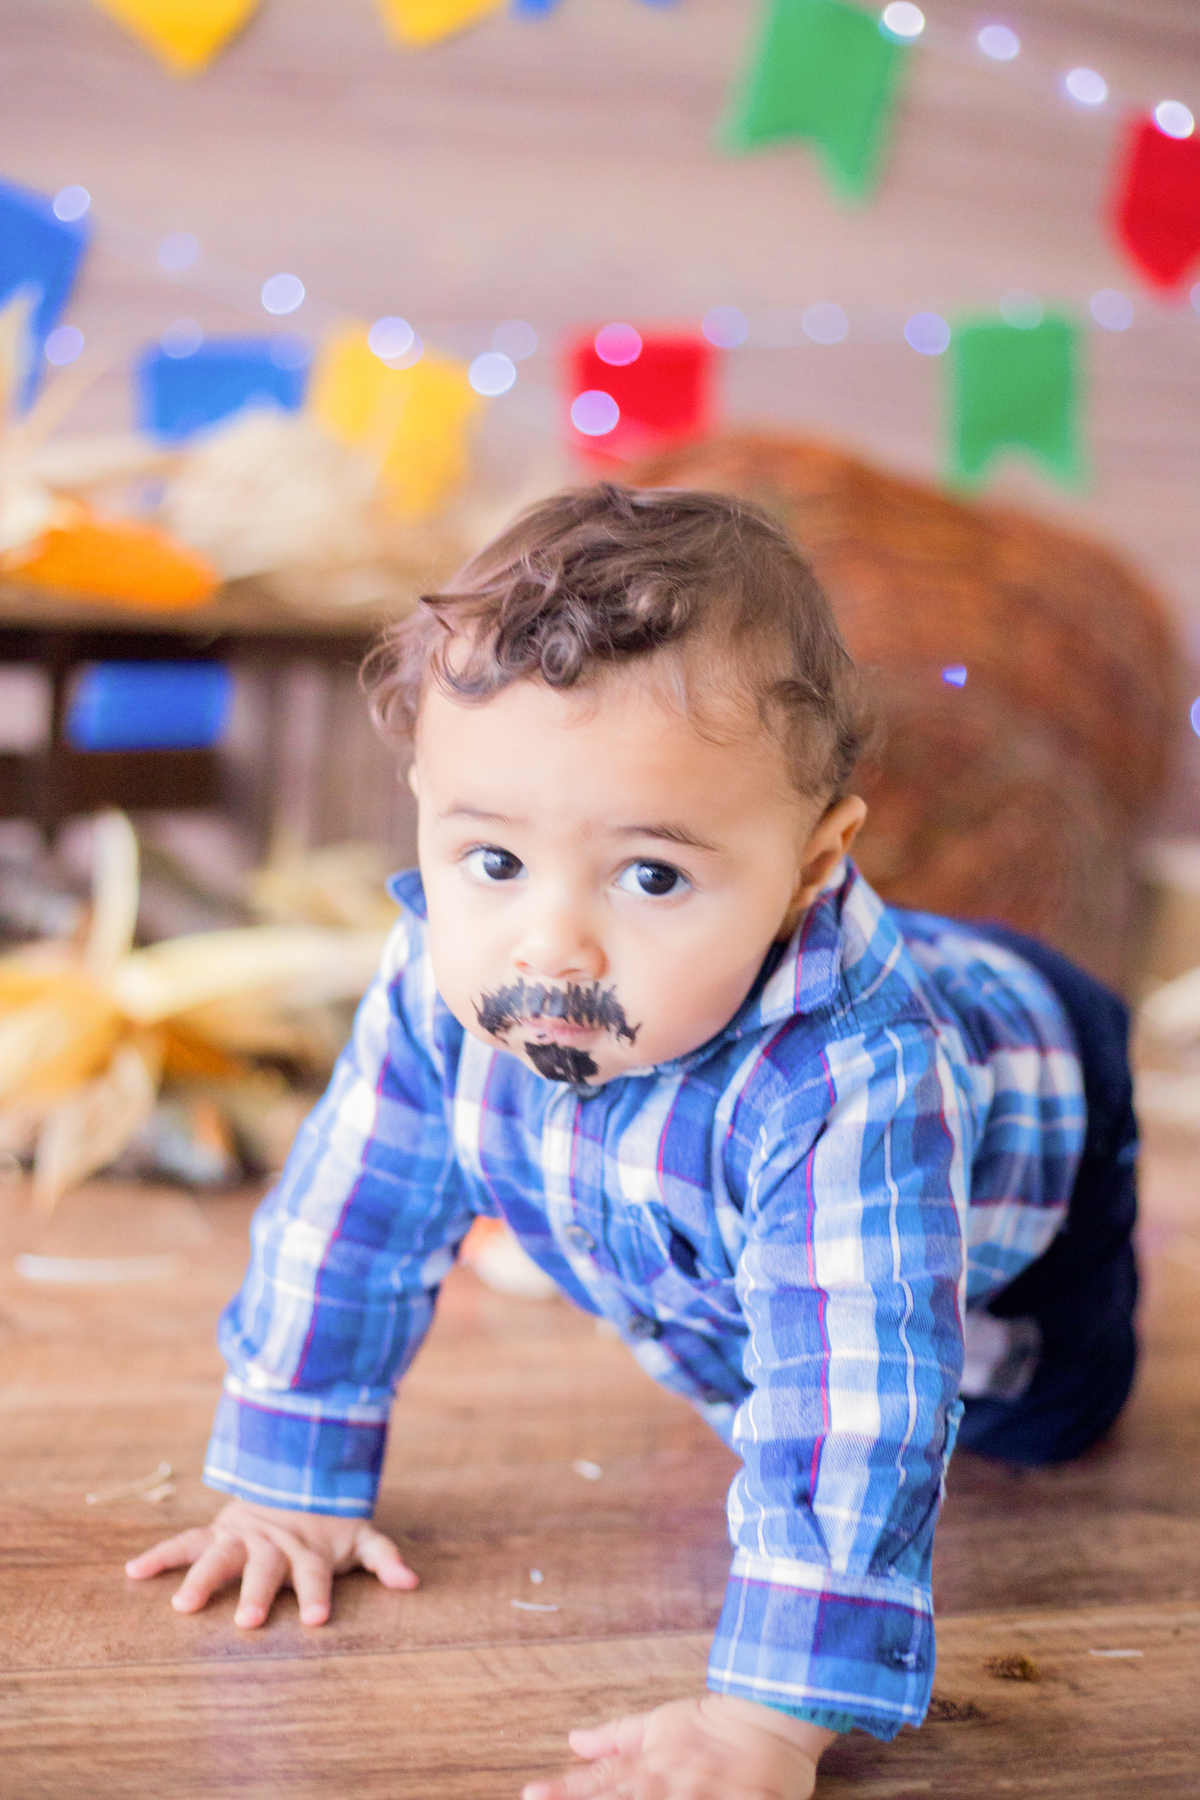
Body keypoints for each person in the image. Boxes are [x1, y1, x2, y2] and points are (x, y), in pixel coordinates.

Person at [126, 485, 1137, 1800]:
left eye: (651, 875)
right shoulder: (444, 977)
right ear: (425, 802)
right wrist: (288, 1479)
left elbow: (857, 1399)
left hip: (1041, 1098)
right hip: (747, 1125)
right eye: (490, 860)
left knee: (1032, 1422)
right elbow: (351, 1218)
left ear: (818, 865)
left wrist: (771, 1715)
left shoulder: (853, 1082)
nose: (550, 944)